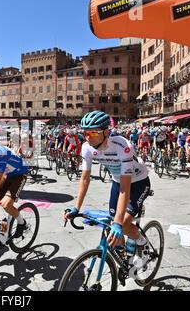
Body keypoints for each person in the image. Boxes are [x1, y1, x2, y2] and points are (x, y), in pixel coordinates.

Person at [64, 111, 151, 262]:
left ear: (106, 132)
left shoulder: (122, 145)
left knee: (122, 224)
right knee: (113, 225)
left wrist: (118, 223)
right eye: (85, 133)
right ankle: (123, 256)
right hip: (117, 181)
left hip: (138, 182)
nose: (87, 137)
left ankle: (143, 242)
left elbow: (126, 186)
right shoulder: (87, 148)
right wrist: (76, 208)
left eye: (92, 133)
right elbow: (85, 179)